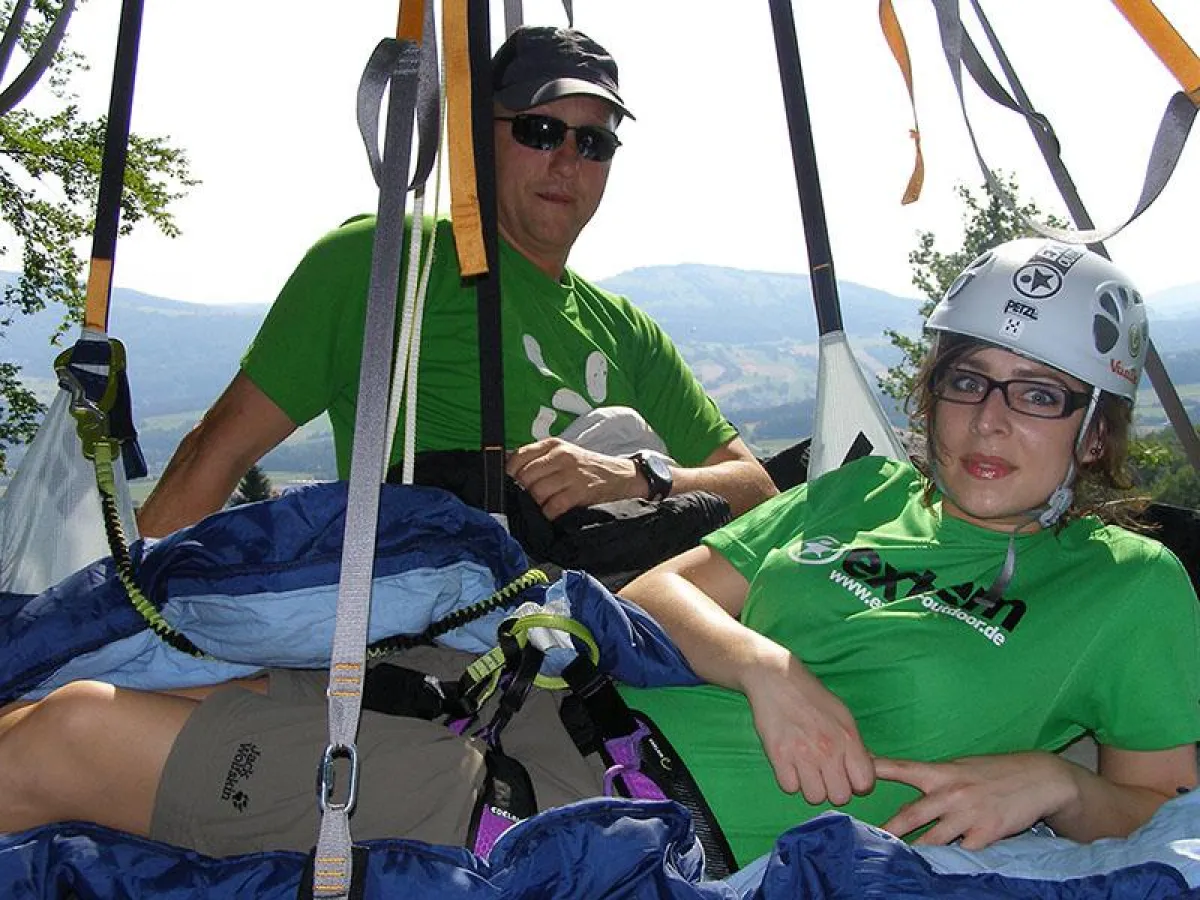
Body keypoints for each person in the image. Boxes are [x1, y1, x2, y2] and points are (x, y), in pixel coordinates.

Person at [2, 240, 1196, 867]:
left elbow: (1157, 812)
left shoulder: (1130, 589)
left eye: (1041, 394)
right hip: (526, 688)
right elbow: (662, 594)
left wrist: (1057, 785)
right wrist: (767, 668)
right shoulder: (866, 489)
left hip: (593, 804)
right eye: (971, 380)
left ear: (1096, 428)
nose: (991, 420)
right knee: (63, 703)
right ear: (933, 390)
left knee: (66, 743)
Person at [134, 25, 776, 539]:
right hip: (447, 628)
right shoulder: (384, 263)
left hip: (617, 618)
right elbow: (217, 451)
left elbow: (756, 489)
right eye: (539, 130)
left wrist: (636, 477)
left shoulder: (628, 333)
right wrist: (125, 614)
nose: (566, 161)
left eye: (593, 144)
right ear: (475, 140)